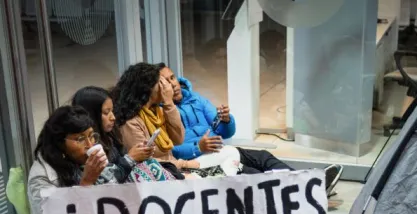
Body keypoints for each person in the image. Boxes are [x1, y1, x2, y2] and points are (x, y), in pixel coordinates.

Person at [158, 64, 343, 195]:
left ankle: (308, 185)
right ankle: (305, 191)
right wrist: (198, 147)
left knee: (263, 157)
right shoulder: (160, 112)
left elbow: (226, 132)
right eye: (166, 82)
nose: (173, 83)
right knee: (254, 175)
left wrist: (226, 119)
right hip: (197, 161)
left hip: (221, 152)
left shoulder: (196, 99)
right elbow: (168, 151)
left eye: (173, 77)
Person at [28, 106, 124, 214]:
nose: (90, 145)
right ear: (60, 143)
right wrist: (86, 183)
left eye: (92, 136)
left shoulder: (78, 161)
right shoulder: (42, 178)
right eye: (80, 139)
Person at [112, 62, 199, 177]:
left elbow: (178, 139)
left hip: (173, 169)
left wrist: (169, 103)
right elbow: (145, 163)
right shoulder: (130, 121)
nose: (168, 86)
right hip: (159, 176)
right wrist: (185, 164)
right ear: (147, 88)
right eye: (161, 82)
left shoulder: (159, 111)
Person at [71, 86, 155, 182]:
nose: (113, 117)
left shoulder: (111, 136)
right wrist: (131, 158)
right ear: (91, 115)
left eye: (112, 111)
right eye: (106, 113)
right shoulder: (87, 147)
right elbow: (105, 181)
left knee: (152, 164)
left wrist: (141, 154)